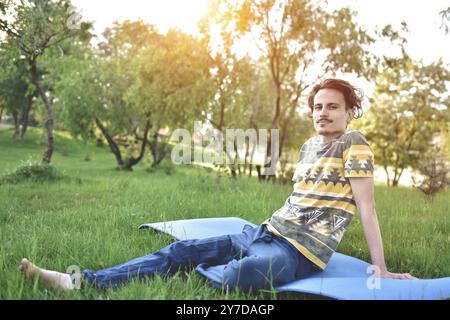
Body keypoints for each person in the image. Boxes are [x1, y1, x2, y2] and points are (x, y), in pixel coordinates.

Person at [19, 78, 417, 294]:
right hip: (265, 231)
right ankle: (79, 282)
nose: (323, 113)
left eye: (333, 106)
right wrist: (263, 230)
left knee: (234, 279)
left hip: (301, 253)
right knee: (180, 248)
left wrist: (380, 268)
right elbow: (299, 198)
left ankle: (195, 267)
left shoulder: (355, 143)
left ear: (349, 112)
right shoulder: (309, 146)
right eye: (318, 106)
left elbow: (367, 207)